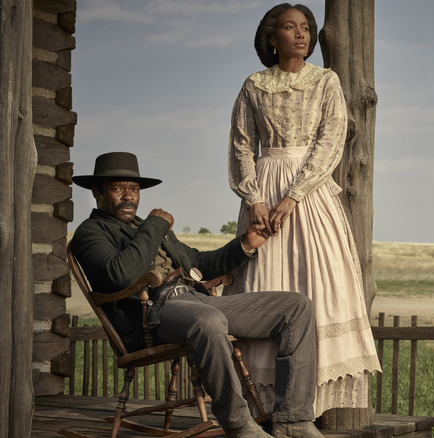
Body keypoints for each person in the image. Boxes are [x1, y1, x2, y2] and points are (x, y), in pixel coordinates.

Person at [70, 151, 324, 438]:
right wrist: (155, 226)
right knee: (208, 319)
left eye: (135, 189)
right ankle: (239, 424)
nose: (129, 196)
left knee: (297, 307)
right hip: (151, 315)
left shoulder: (145, 228)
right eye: (118, 189)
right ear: (96, 192)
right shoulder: (90, 232)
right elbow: (120, 274)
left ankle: (293, 420)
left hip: (196, 301)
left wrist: (245, 245)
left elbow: (198, 262)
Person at [224, 3, 381, 418]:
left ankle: (304, 405)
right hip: (262, 194)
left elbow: (331, 140)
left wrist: (294, 196)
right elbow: (242, 143)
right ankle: (259, 404)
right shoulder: (253, 85)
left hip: (308, 196)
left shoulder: (326, 81)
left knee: (319, 282)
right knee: (261, 281)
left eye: (306, 27)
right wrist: (253, 197)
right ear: (271, 38)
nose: (301, 34)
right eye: (289, 27)